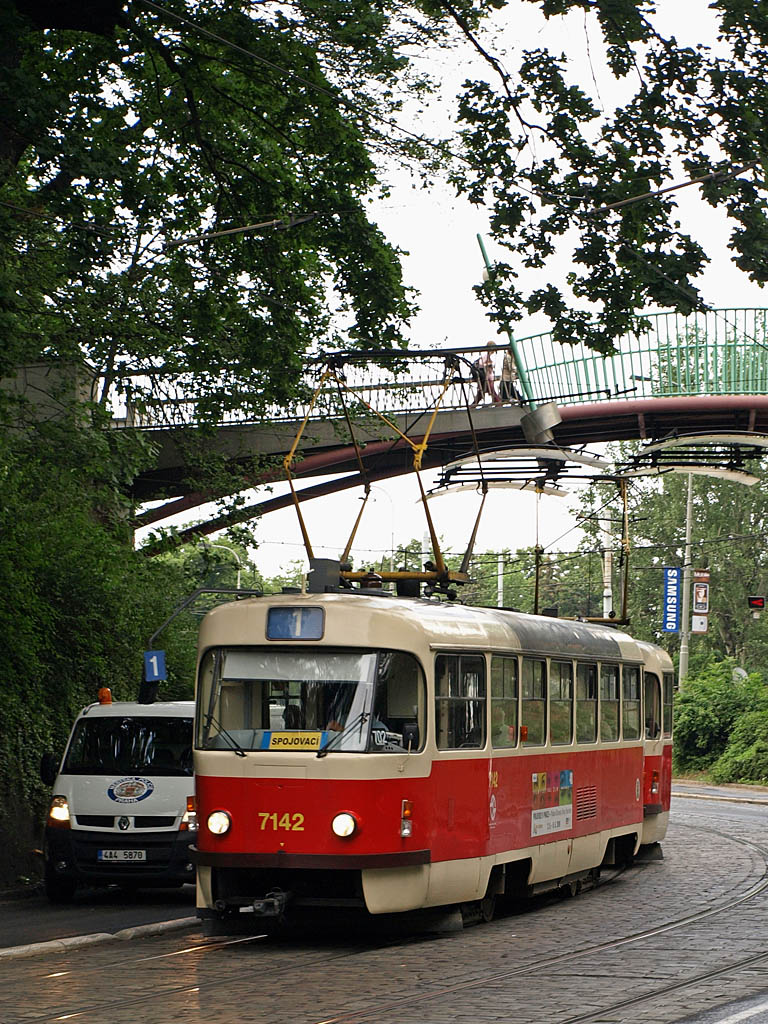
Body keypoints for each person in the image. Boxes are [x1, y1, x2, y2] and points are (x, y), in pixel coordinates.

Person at [470, 341, 501, 406]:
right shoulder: (486, 356)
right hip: (487, 377)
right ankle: (498, 403)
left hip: (487, 377)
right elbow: (481, 364)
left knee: (481, 393)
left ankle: (473, 406)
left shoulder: (487, 356)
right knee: (491, 391)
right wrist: (489, 365)